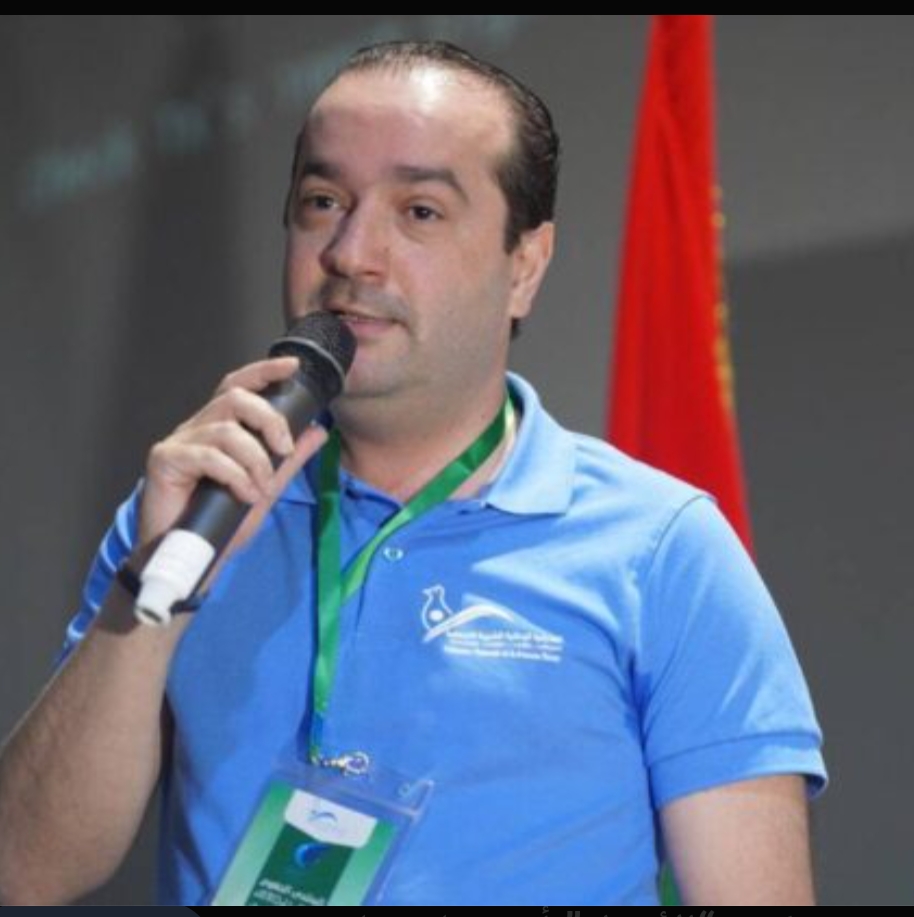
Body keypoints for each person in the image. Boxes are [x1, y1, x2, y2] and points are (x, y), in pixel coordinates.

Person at [0, 40, 826, 906]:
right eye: (323, 201)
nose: (351, 252)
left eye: (420, 211)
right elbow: (26, 866)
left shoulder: (661, 549)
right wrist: (150, 590)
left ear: (525, 266)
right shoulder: (193, 510)